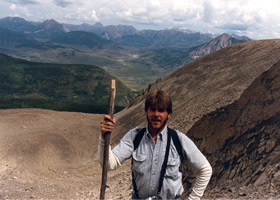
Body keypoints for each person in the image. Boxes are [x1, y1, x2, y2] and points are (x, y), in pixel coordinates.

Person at [98, 90, 212, 199]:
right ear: (146, 112)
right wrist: (104, 138)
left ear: (169, 114)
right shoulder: (135, 137)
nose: (156, 114)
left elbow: (205, 170)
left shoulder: (179, 139)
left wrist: (193, 198)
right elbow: (109, 164)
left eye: (161, 110)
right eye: (152, 109)